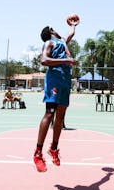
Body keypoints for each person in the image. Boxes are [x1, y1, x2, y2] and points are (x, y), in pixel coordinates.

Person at [33, 17, 79, 172]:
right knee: (50, 113)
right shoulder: (49, 43)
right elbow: (44, 60)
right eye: (53, 28)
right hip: (55, 79)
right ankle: (38, 153)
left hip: (65, 80)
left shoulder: (63, 42)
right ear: (50, 32)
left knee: (61, 117)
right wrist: (67, 59)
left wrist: (73, 26)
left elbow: (70, 34)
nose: (56, 30)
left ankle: (53, 148)